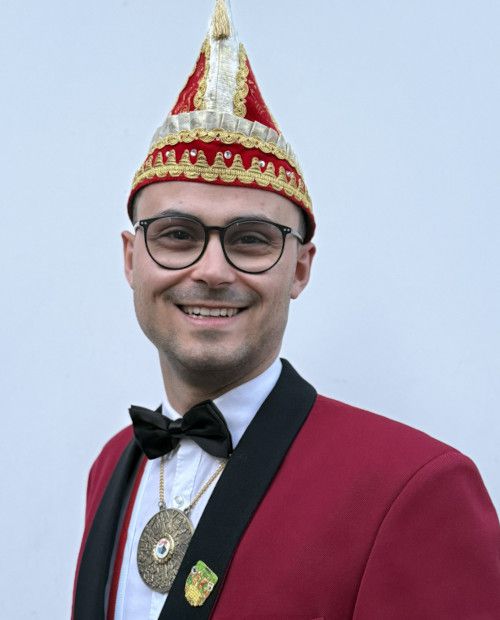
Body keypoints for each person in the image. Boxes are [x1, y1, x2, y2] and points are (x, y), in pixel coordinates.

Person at [72, 1, 500, 618]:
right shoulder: (112, 464)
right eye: (176, 235)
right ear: (131, 259)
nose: (212, 270)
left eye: (250, 240)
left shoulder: (417, 488)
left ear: (299, 268)